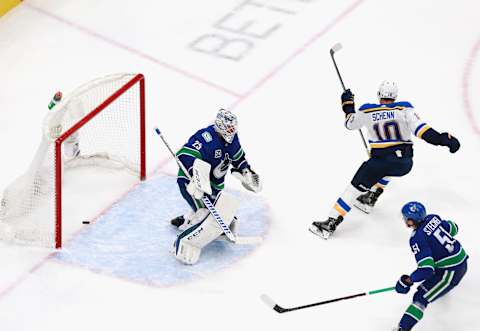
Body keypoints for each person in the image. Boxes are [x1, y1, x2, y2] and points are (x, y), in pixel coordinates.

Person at [310, 81, 461, 239]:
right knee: (389, 168)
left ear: (379, 94)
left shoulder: (367, 110)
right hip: (405, 163)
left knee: (354, 188)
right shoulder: (404, 108)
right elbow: (424, 131)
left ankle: (331, 222)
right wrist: (444, 139)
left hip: (380, 162)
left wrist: (348, 105)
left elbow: (350, 124)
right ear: (395, 97)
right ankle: (371, 197)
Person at [170, 108, 262, 264]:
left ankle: (188, 219)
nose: (232, 132)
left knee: (219, 214)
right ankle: (187, 238)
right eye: (229, 129)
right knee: (205, 214)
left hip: (214, 185)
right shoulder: (205, 137)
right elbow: (184, 154)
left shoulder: (232, 139)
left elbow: (238, 157)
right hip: (190, 182)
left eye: (234, 129)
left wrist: (246, 171)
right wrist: (196, 176)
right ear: (220, 125)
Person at [393, 201, 468, 330]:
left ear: (411, 221)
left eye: (406, 218)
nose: (404, 220)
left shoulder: (417, 238)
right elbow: (454, 228)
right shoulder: (433, 218)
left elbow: (426, 269)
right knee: (430, 286)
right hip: (459, 262)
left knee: (421, 297)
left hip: (450, 273)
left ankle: (403, 329)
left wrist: (408, 281)